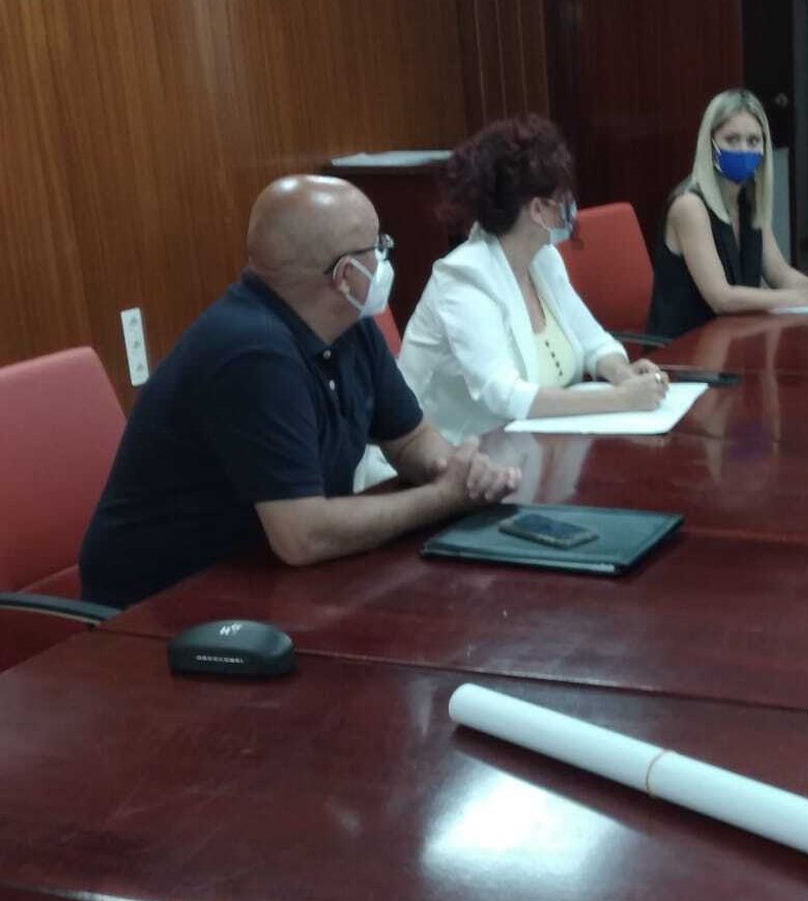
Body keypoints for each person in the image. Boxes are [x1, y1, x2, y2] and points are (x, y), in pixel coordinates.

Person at [79, 176, 520, 609]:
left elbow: (410, 437)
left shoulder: (350, 325)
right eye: (379, 247)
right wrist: (444, 498)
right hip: (161, 611)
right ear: (346, 276)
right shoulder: (252, 354)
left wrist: (454, 471)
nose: (386, 258)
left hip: (262, 582)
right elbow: (302, 536)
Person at [400, 115, 669, 441]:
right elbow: (503, 394)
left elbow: (593, 340)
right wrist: (619, 400)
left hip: (534, 450)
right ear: (539, 210)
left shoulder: (542, 259)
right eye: (564, 196)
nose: (571, 204)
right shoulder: (464, 279)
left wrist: (622, 374)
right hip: (457, 458)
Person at [646, 89, 808, 340]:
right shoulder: (690, 206)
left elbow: (779, 273)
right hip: (683, 351)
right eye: (732, 139)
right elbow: (720, 298)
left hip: (730, 340)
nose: (743, 149)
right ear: (710, 145)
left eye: (753, 141)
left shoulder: (749, 200)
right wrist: (804, 296)